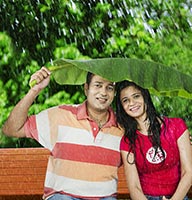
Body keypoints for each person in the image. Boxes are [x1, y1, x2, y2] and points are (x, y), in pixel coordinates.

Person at [2, 67, 124, 200]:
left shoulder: (123, 128)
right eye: (98, 85)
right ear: (86, 88)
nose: (103, 92)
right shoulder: (61, 115)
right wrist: (35, 90)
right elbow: (11, 129)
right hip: (63, 197)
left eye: (109, 88)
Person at [115, 80, 192, 200]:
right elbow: (134, 187)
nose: (132, 103)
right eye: (125, 100)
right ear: (122, 107)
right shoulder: (127, 141)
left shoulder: (177, 126)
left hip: (178, 197)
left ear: (145, 97)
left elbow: (188, 172)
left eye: (136, 96)